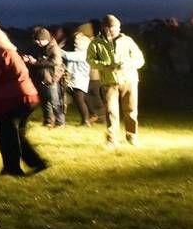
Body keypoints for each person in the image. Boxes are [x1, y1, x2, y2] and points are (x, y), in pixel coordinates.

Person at [0, 24, 47, 176]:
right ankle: (36, 162)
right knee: (18, 133)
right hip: (28, 96)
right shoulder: (10, 50)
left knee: (6, 135)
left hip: (9, 99)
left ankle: (12, 168)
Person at [87, 14, 145, 148]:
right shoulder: (96, 43)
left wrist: (129, 64)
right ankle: (111, 140)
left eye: (115, 28)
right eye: (109, 28)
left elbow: (140, 59)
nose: (112, 30)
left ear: (119, 27)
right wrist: (106, 66)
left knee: (131, 110)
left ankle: (132, 136)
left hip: (129, 80)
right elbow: (90, 60)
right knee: (111, 112)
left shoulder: (128, 41)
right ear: (104, 28)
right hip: (109, 82)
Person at [20, 27, 65, 127]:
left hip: (51, 78)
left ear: (46, 39)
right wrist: (30, 59)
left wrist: (36, 62)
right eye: (37, 40)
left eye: (40, 40)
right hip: (42, 77)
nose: (38, 42)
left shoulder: (53, 48)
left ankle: (60, 122)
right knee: (45, 102)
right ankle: (48, 121)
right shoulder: (39, 47)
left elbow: (56, 61)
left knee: (54, 102)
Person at [61, 31, 94, 126]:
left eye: (77, 43)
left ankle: (86, 121)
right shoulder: (79, 52)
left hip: (79, 81)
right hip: (76, 80)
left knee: (80, 101)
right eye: (75, 42)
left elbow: (67, 56)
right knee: (78, 100)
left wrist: (55, 48)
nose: (75, 44)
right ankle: (85, 120)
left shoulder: (83, 54)